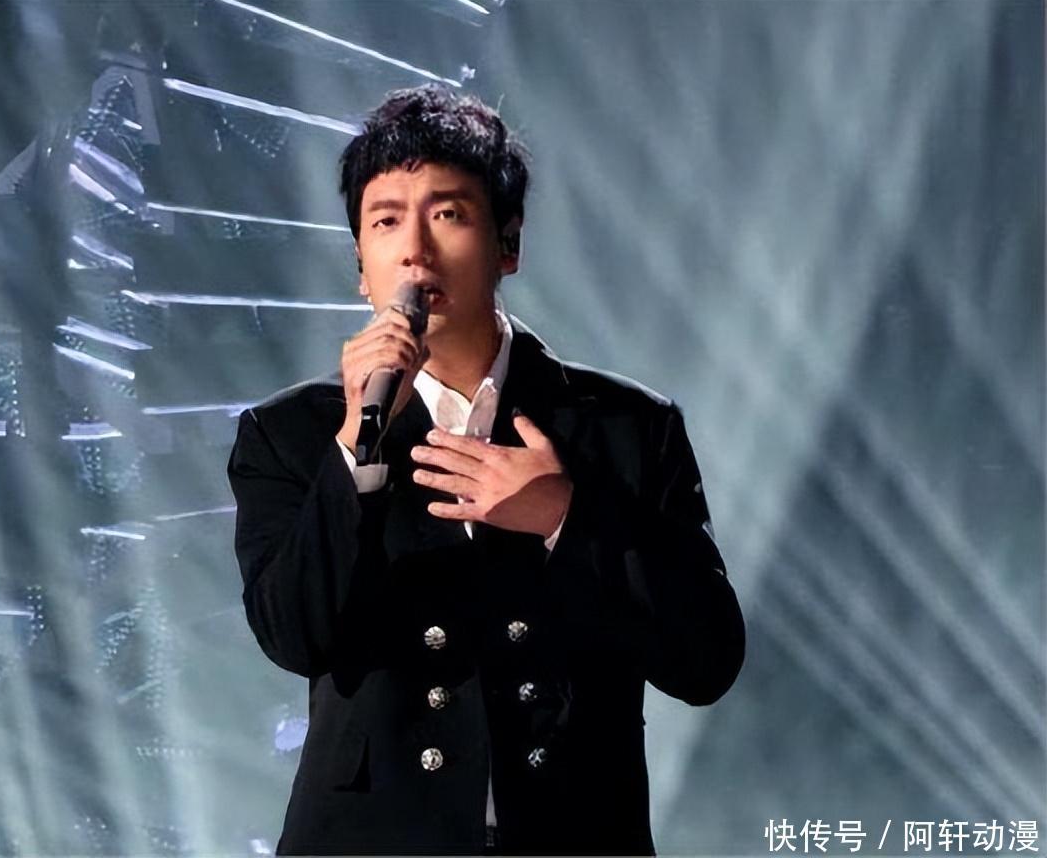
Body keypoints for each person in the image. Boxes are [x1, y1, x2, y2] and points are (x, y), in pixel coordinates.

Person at [227, 84, 745, 856]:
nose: (415, 249)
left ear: (508, 245)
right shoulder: (291, 435)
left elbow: (706, 660)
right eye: (386, 220)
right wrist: (355, 452)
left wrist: (564, 516)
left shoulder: (626, 426)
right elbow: (291, 635)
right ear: (361, 266)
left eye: (448, 214)